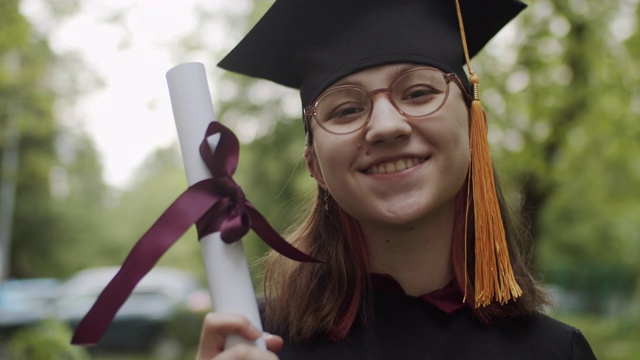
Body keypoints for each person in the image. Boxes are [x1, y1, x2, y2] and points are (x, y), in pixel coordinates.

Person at [196, 0, 597, 359]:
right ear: (314, 165)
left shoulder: (554, 352)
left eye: (419, 92)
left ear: (476, 128)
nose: (386, 126)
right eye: (346, 110)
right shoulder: (255, 343)